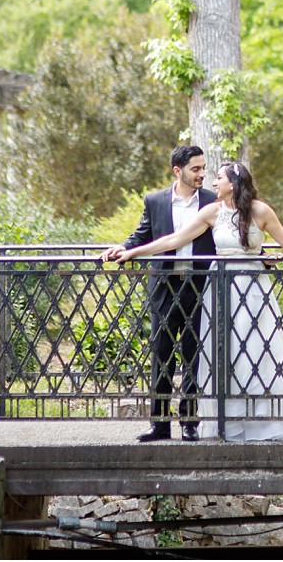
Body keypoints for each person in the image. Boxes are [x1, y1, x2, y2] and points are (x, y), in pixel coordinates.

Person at [105, 160, 283, 440]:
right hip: (220, 290)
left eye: (219, 178)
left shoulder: (261, 211)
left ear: (233, 183)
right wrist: (133, 252)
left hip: (253, 290)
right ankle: (228, 421)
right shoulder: (212, 212)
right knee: (223, 352)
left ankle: (262, 421)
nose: (213, 182)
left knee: (257, 350)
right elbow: (173, 240)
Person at [101, 145, 217, 442]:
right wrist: (123, 248)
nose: (202, 173)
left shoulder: (213, 201)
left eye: (203, 168)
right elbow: (142, 234)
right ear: (177, 171)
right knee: (161, 356)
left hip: (199, 285)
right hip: (164, 286)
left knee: (193, 355)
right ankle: (160, 424)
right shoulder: (154, 201)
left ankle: (189, 422)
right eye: (196, 169)